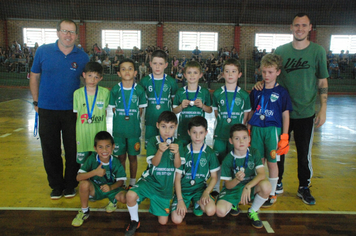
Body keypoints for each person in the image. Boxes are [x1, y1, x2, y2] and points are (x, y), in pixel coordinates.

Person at [255, 13, 328, 205]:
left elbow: (322, 80)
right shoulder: (281, 51)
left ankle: (304, 186)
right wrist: (260, 83)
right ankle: (276, 182)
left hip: (305, 112)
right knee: (277, 151)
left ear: (310, 27)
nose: (300, 29)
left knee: (304, 154)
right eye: (297, 25)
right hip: (280, 112)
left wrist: (323, 108)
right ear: (291, 27)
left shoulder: (318, 51)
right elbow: (270, 72)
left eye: (304, 25)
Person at [29, 19, 89, 199]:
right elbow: (34, 76)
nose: (68, 35)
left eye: (71, 32)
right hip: (47, 110)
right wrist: (36, 102)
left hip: (73, 111)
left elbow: (88, 81)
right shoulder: (43, 51)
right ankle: (56, 185)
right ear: (57, 32)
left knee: (73, 150)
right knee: (50, 149)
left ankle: (70, 184)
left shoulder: (83, 56)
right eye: (65, 31)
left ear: (76, 35)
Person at [124, 111, 184, 236]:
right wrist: (160, 151)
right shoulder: (152, 141)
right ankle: (135, 220)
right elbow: (155, 163)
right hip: (150, 181)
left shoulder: (179, 143)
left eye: (171, 127)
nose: (167, 131)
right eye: (163, 126)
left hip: (164, 188)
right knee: (130, 195)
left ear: (176, 126)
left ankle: (154, 201)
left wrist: (177, 153)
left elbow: (178, 165)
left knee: (163, 222)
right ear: (157, 125)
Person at [247, 54, 293, 207]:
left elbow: (285, 115)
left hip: (273, 130)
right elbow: (252, 111)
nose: (267, 75)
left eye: (271, 72)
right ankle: (259, 190)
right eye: (264, 72)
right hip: (257, 130)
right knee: (258, 162)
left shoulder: (282, 92)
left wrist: (285, 136)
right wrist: (248, 129)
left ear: (278, 72)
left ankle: (272, 193)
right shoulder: (256, 90)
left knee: (272, 163)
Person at [215, 124, 271, 229]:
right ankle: (234, 203)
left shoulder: (254, 152)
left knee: (266, 186)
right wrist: (236, 179)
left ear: (249, 139)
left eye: (244, 138)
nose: (241, 141)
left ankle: (252, 210)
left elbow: (262, 174)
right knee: (220, 211)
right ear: (231, 141)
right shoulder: (228, 159)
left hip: (249, 187)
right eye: (237, 138)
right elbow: (227, 186)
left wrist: (248, 186)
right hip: (233, 189)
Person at [211, 58, 251, 198]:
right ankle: (216, 188)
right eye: (227, 71)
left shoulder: (244, 95)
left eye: (233, 71)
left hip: (236, 138)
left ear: (239, 74)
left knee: (234, 161)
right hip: (221, 135)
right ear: (223, 74)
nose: (230, 74)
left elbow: (245, 116)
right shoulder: (217, 94)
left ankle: (231, 188)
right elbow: (216, 113)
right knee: (219, 162)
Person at [71, 131, 127, 227]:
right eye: (100, 147)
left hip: (111, 189)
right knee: (84, 184)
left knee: (126, 198)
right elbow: (78, 177)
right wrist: (95, 172)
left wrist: (111, 188)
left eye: (108, 146)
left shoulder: (116, 162)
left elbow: (121, 181)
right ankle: (84, 211)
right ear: (95, 149)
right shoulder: (92, 159)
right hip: (96, 189)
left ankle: (113, 201)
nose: (104, 150)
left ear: (113, 147)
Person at [171, 116, 220, 224]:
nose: (198, 136)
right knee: (176, 220)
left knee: (211, 211)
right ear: (189, 132)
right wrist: (180, 200)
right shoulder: (183, 151)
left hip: (200, 190)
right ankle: (186, 201)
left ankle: (197, 202)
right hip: (183, 191)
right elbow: (177, 178)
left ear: (206, 132)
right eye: (194, 132)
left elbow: (214, 177)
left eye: (201, 132)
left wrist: (207, 192)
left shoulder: (210, 153)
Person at [109, 58, 147, 189]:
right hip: (119, 131)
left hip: (134, 132)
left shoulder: (140, 90)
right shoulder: (115, 90)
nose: (127, 71)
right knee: (120, 158)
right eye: (123, 69)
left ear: (135, 72)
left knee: (133, 158)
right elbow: (114, 109)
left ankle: (132, 182)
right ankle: (121, 181)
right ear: (119, 73)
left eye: (130, 68)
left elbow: (140, 111)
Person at [73, 62, 110, 165]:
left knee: (98, 163)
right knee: (83, 165)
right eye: (90, 76)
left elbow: (105, 112)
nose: (92, 80)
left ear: (101, 78)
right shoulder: (77, 94)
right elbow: (77, 115)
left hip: (98, 135)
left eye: (96, 77)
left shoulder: (105, 93)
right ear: (84, 75)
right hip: (82, 135)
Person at [139, 50, 178, 146]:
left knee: (167, 149)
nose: (157, 66)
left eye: (160, 64)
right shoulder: (144, 81)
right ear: (150, 64)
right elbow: (140, 104)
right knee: (151, 148)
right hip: (149, 121)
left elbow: (174, 102)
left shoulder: (171, 81)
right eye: (155, 63)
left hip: (167, 124)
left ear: (166, 65)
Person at [172, 61, 212, 146]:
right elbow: (174, 111)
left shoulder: (204, 92)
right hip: (183, 130)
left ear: (200, 75)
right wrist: (181, 106)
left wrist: (202, 106)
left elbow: (209, 110)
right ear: (185, 75)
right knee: (182, 155)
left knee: (197, 154)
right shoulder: (180, 92)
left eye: (195, 73)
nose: (192, 75)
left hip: (198, 132)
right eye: (189, 73)